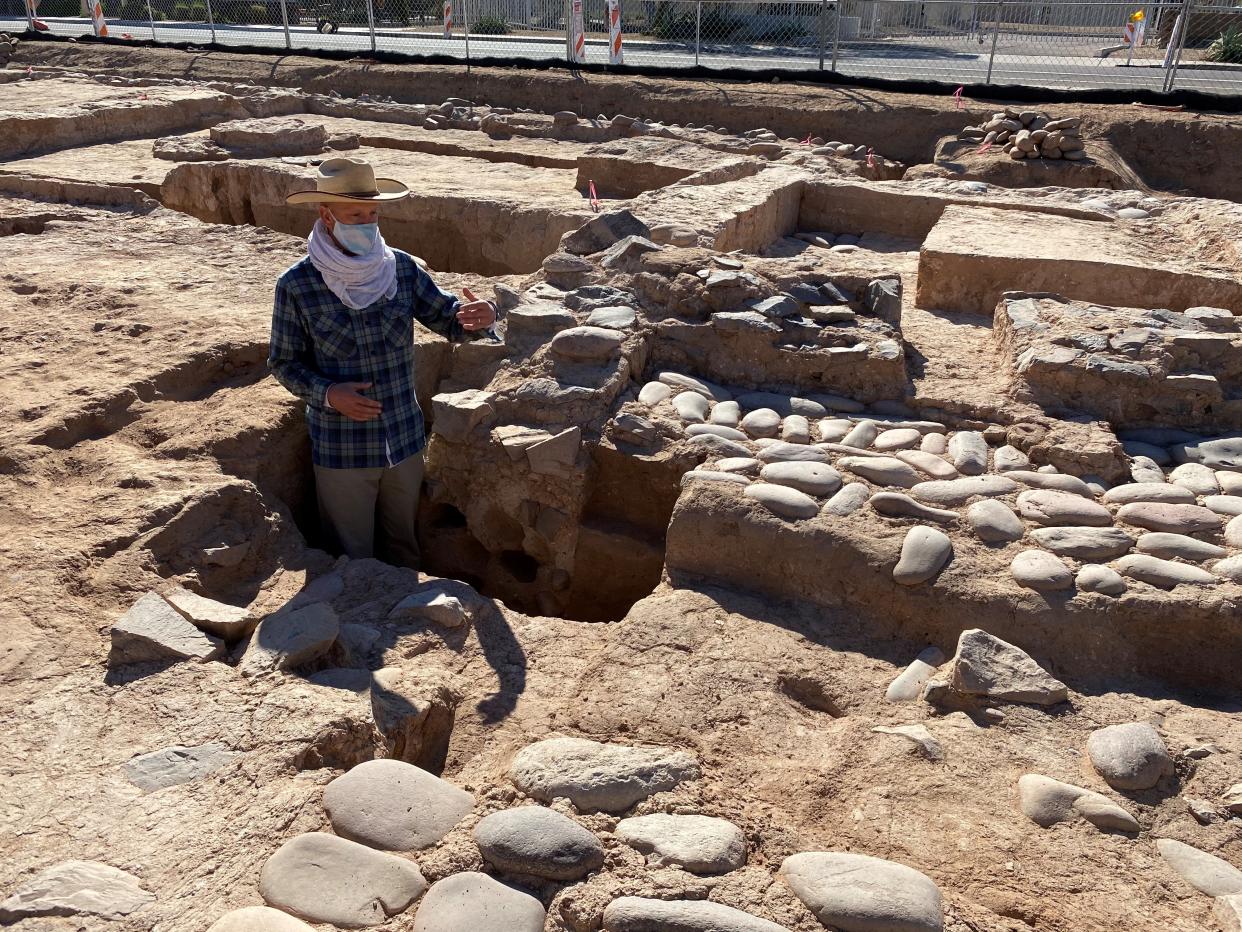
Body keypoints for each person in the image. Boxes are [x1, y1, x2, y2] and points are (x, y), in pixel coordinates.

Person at [268, 156, 497, 568]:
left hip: (403, 439)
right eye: (355, 213)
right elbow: (284, 362)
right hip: (342, 447)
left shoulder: (401, 269)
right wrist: (329, 393)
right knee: (349, 555)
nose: (367, 222)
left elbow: (449, 319)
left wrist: (481, 318)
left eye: (372, 212)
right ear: (327, 214)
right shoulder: (297, 285)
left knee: (404, 548)